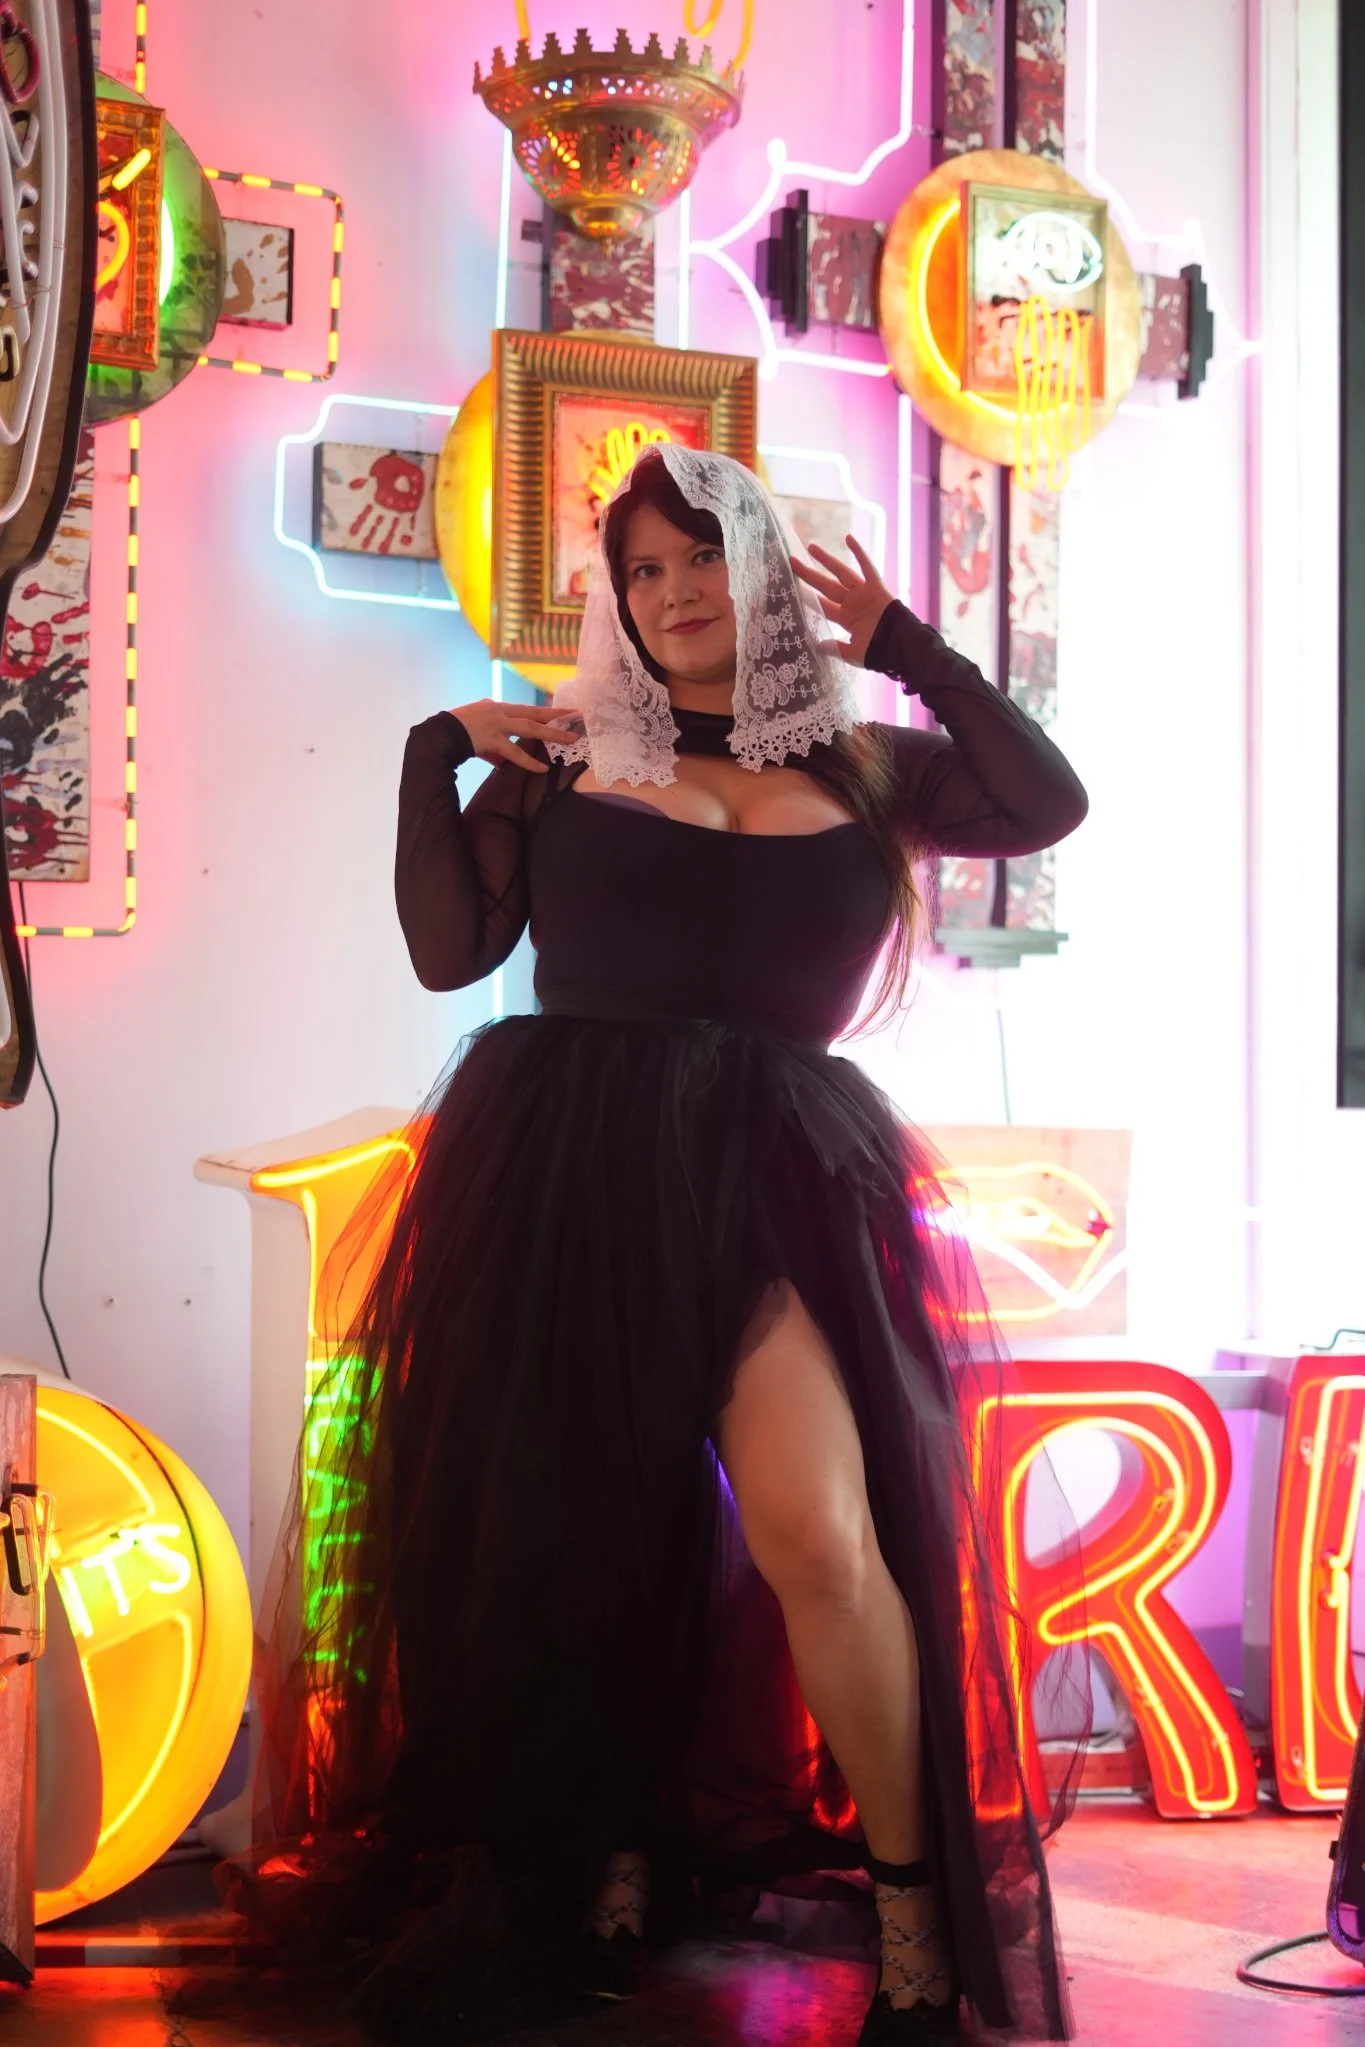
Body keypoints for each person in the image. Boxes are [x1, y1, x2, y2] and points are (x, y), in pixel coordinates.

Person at [233, 445, 1091, 2045]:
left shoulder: (864, 762)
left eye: (704, 558)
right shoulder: (567, 755)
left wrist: (904, 641)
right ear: (614, 599)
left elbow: (1048, 799)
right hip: (573, 1175)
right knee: (577, 1545)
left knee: (823, 1537)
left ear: (761, 569)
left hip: (780, 1181)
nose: (678, 591)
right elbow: (448, 951)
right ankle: (606, 1849)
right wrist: (438, 748)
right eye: (645, 570)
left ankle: (913, 1927)